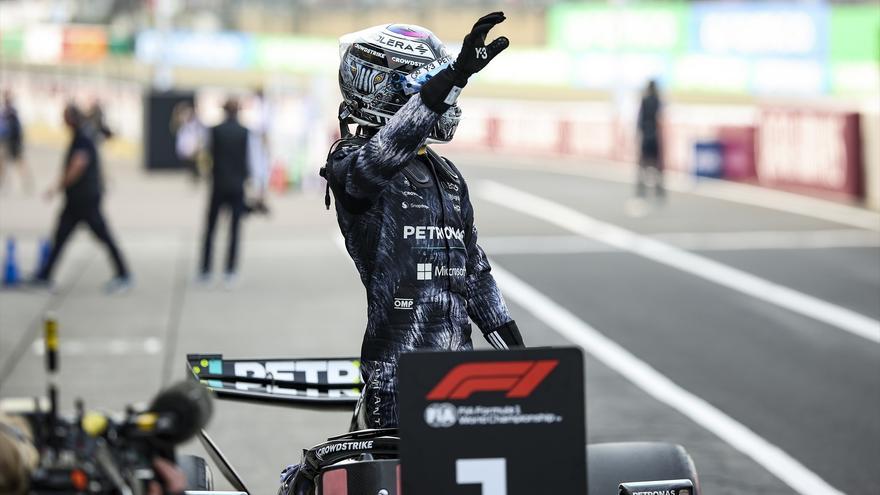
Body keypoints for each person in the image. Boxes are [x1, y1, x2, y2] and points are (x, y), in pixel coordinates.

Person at [322, 12, 524, 431]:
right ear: (379, 88)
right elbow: (382, 156)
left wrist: (516, 356)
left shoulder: (447, 174)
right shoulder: (349, 162)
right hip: (397, 381)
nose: (447, 99)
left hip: (460, 375)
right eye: (421, 85)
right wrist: (451, 78)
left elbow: (474, 271)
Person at [34, 104, 131, 292]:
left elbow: (78, 164)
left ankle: (124, 274)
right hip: (76, 201)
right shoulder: (83, 134)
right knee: (60, 236)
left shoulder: (82, 137)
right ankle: (44, 275)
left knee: (104, 236)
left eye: (64, 118)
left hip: (85, 200)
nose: (62, 122)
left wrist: (57, 186)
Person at [199, 98, 249, 286]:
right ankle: (230, 270)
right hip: (237, 186)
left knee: (211, 229)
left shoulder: (215, 131)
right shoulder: (245, 132)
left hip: (218, 184)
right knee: (234, 230)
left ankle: (205, 270)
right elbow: (250, 160)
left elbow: (207, 155)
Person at [635, 79, 664, 201]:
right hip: (655, 134)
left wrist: (639, 132)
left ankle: (641, 187)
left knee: (643, 162)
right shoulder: (657, 101)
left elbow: (640, 119)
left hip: (646, 133)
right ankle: (659, 188)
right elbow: (660, 118)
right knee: (656, 163)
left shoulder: (645, 100)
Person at [0, 91, 34, 193]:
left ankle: (27, 182)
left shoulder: (12, 113)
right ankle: (3, 182)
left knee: (19, 162)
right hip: (7, 141)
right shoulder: (6, 112)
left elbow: (15, 129)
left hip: (13, 141)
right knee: (3, 162)